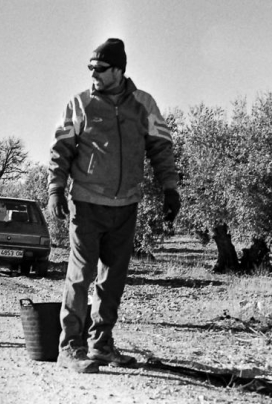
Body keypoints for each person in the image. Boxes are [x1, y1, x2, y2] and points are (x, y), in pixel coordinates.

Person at [47, 38, 181, 373]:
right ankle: (70, 347)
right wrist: (55, 189)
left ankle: (101, 344)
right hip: (87, 202)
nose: (93, 74)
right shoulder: (79, 104)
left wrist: (170, 189)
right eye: (90, 67)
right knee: (81, 275)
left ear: (119, 70)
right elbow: (61, 149)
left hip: (126, 205)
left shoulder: (143, 104)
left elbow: (161, 148)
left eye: (101, 68)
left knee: (113, 278)